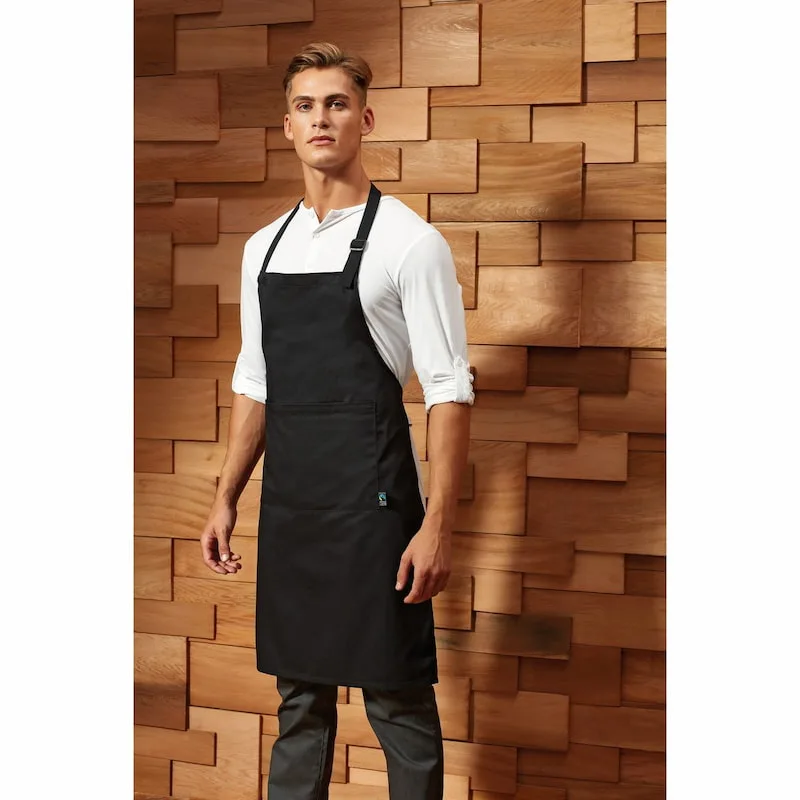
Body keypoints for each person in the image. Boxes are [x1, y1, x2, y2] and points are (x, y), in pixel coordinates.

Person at [199, 41, 474, 799]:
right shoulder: (262, 250)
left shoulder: (410, 244)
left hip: (376, 511)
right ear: (287, 125)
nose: (321, 119)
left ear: (365, 120)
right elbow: (256, 382)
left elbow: (449, 391)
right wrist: (226, 497)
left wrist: (438, 526)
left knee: (397, 701)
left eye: (337, 104)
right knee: (299, 705)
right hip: (294, 510)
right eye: (305, 105)